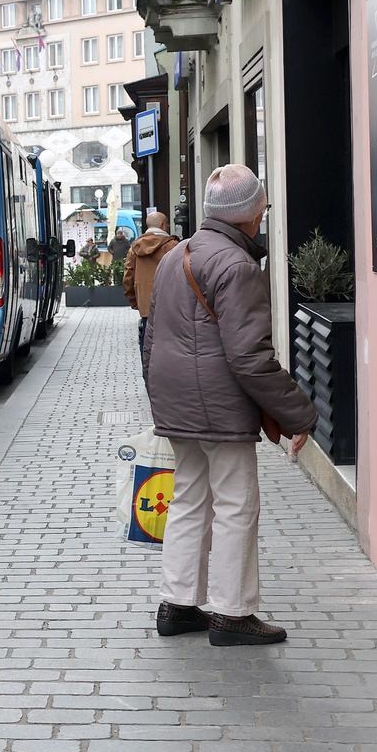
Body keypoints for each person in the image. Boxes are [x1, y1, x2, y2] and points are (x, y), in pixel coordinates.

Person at [143, 164, 316, 646]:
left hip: (177, 402)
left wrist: (159, 398)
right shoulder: (238, 266)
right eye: (262, 206)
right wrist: (298, 413)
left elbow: (152, 337)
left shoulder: (177, 254)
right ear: (251, 214)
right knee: (237, 504)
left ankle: (178, 605)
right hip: (217, 406)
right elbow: (249, 356)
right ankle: (233, 613)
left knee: (189, 499)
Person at [123, 212, 177, 349]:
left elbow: (128, 277)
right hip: (170, 306)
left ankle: (147, 370)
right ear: (163, 225)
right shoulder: (173, 246)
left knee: (147, 344)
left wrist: (135, 302)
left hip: (146, 305)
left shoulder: (135, 248)